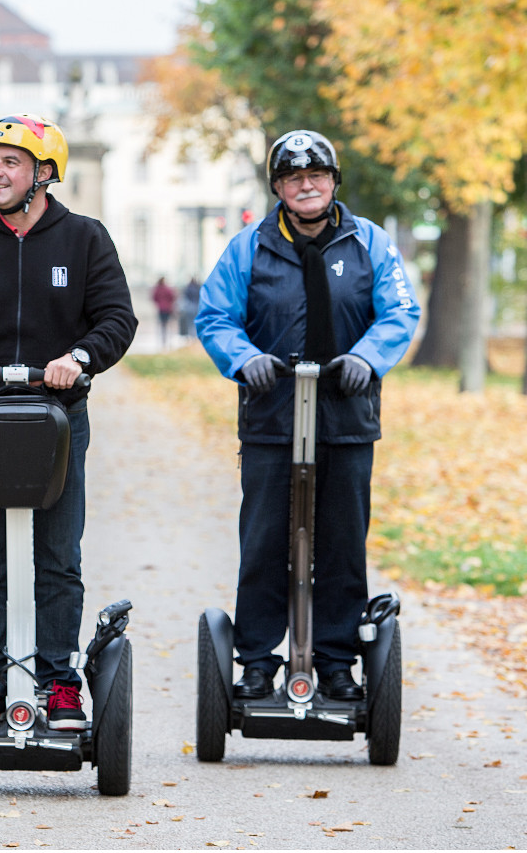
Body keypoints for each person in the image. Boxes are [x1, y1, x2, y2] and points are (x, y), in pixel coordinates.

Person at [0, 113, 137, 731]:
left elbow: (116, 319)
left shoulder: (86, 239)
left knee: (59, 554)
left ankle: (60, 681)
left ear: (44, 174)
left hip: (59, 418)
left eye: (10, 162)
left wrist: (78, 358)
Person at [195, 129, 419, 703]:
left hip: (345, 416)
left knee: (342, 543)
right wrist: (245, 360)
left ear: (333, 182)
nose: (306, 185)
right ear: (277, 187)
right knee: (266, 540)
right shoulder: (249, 246)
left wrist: (367, 359)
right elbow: (216, 316)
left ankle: (337, 660)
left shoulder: (370, 242)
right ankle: (255, 660)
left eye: (316, 175)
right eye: (293, 178)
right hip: (272, 414)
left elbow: (399, 311)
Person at [150, 276, 177, 349]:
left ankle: (163, 341)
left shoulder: (157, 289)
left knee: (162, 325)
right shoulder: (167, 289)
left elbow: (154, 298)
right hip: (168, 309)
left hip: (161, 309)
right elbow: (173, 296)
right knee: (169, 324)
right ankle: (169, 340)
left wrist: (159, 303)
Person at [179, 275, 201, 341]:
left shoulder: (187, 288)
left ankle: (190, 336)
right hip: (196, 307)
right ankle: (195, 336)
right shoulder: (198, 288)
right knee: (195, 322)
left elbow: (185, 298)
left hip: (189, 307)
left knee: (189, 323)